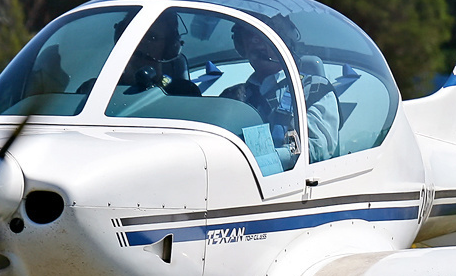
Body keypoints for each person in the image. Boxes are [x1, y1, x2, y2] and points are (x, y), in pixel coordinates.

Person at [223, 17, 339, 168]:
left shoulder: (314, 89)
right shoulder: (232, 98)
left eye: (262, 36)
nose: (253, 42)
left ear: (283, 41)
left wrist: (266, 162)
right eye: (248, 35)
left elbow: (317, 148)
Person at [119, 13, 200, 96]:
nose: (141, 43)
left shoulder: (182, 94)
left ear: (169, 46)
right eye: (135, 35)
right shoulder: (106, 85)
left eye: (152, 37)